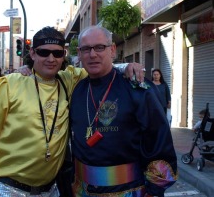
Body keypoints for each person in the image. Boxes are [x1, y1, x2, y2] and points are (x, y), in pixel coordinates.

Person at [0, 26, 145, 197]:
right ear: (33, 53)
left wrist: (128, 66)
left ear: (63, 56)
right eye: (44, 52)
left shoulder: (68, 80)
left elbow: (100, 67)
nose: (51, 59)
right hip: (6, 189)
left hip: (51, 190)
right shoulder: (8, 85)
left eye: (57, 53)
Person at [69, 26, 177, 197]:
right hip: (82, 191)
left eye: (99, 47)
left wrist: (153, 191)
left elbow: (159, 142)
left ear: (112, 50)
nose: (92, 54)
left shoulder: (138, 88)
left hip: (130, 191)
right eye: (86, 49)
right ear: (79, 54)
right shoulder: (77, 90)